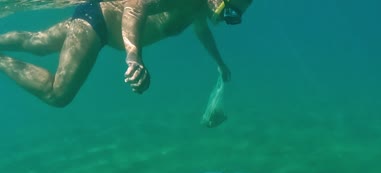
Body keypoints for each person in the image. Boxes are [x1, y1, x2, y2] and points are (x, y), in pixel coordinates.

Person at [0, 0, 252, 107]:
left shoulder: (201, 8)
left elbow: (202, 32)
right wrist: (133, 55)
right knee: (57, 94)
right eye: (229, 10)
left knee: (39, 43)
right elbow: (135, 6)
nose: (226, 18)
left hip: (98, 23)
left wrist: (220, 63)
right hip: (97, 22)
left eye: (235, 17)